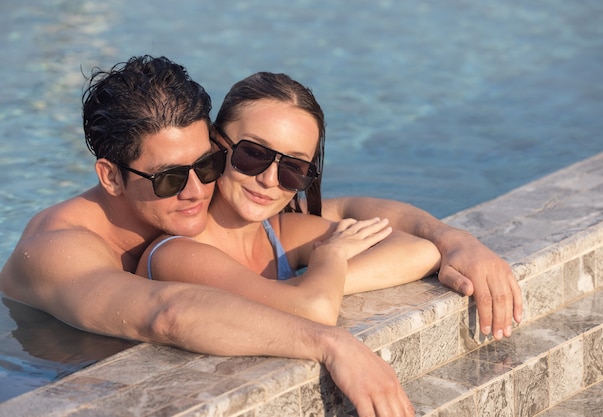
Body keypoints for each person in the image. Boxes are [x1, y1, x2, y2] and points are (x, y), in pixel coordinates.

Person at [0, 55, 521, 416]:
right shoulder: (61, 247)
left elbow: (349, 209)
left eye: (206, 164)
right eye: (167, 178)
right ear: (111, 177)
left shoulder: (202, 206)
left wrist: (455, 241)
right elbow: (167, 312)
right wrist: (329, 341)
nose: (195, 191)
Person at [137, 71, 441, 325]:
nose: (269, 180)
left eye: (293, 169)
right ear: (216, 145)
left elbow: (419, 251)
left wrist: (305, 286)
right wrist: (330, 259)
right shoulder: (177, 254)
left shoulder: (279, 233)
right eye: (253, 154)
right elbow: (314, 308)